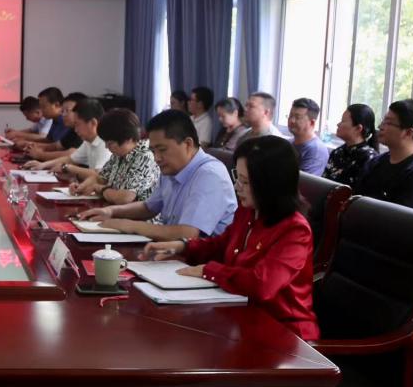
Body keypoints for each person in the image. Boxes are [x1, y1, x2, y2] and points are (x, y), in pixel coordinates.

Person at [141, 136, 319, 341]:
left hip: (285, 335)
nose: (236, 187)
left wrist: (208, 270)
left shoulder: (295, 230)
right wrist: (182, 247)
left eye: (245, 182)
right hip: (241, 316)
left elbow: (262, 285)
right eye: (237, 177)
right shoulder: (248, 211)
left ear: (270, 185)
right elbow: (221, 244)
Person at [77, 110, 237, 241]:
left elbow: (188, 234)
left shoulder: (209, 175)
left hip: (204, 262)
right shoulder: (172, 168)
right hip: (171, 252)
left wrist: (129, 225)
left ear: (187, 144)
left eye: (162, 150)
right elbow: (149, 207)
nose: (157, 158)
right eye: (153, 151)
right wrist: (111, 211)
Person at [70, 109, 159, 204]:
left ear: (128, 139)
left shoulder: (144, 157)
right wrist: (82, 187)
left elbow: (124, 198)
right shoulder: (118, 155)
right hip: (113, 209)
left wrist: (100, 189)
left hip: (135, 213)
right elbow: (100, 178)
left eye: (110, 143)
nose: (106, 147)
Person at [355, 99, 413, 211]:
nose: (380, 126)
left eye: (388, 123)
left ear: (408, 133)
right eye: (383, 121)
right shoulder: (374, 163)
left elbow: (401, 218)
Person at [24, 98, 110, 180]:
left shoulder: (105, 143)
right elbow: (71, 159)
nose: (76, 130)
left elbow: (99, 175)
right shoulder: (89, 141)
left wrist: (67, 168)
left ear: (93, 123)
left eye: (78, 124)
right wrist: (42, 165)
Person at [322, 103, 378, 187]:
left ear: (358, 128)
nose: (338, 124)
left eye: (343, 121)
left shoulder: (369, 158)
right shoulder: (338, 152)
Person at [20, 91, 85, 158]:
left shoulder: (80, 129)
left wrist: (40, 154)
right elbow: (56, 146)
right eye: (63, 111)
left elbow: (71, 154)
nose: (63, 114)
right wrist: (30, 145)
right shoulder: (73, 129)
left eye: (43, 107)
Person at [287, 97, 329, 176]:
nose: (292, 120)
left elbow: (303, 182)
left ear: (312, 123)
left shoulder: (316, 150)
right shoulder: (288, 143)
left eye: (297, 117)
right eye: (290, 116)